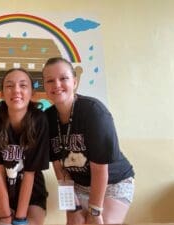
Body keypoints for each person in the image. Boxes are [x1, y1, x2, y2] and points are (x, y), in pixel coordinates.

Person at [42, 57, 135, 225]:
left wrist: (95, 211)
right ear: (45, 87)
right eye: (50, 80)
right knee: (75, 222)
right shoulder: (46, 119)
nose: (56, 84)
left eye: (63, 78)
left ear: (75, 82)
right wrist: (73, 205)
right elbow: (59, 168)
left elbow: (100, 169)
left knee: (102, 223)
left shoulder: (94, 111)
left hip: (112, 182)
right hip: (78, 185)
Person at [0, 68, 49, 225]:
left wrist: (20, 219)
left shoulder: (40, 120)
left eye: (23, 85)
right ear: (2, 93)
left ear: (32, 93)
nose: (16, 90)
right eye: (9, 86)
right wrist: (5, 217)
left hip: (32, 191)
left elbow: (30, 173)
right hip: (2, 188)